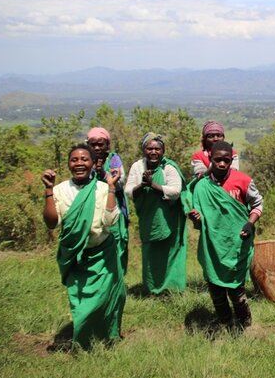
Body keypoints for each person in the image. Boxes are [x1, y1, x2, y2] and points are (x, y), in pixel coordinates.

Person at [41, 144, 126, 349]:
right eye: (74, 160)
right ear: (69, 164)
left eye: (84, 159)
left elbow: (110, 221)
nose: (79, 163)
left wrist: (112, 187)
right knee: (81, 303)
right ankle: (84, 343)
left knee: (111, 297)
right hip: (74, 254)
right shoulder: (60, 190)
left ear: (93, 163)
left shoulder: (103, 188)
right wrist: (48, 190)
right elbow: (52, 223)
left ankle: (105, 337)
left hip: (103, 252)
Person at [187, 141, 263, 329]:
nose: (222, 164)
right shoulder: (201, 187)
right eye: (217, 160)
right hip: (213, 246)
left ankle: (245, 324)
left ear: (231, 160)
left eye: (226, 160)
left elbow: (257, 204)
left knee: (236, 290)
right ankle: (225, 322)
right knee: (216, 290)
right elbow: (200, 222)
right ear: (210, 159)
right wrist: (196, 218)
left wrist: (250, 222)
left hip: (237, 243)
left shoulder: (243, 180)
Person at [125, 133, 188, 294]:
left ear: (163, 151)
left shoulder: (169, 167)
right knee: (151, 253)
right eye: (149, 148)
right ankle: (152, 288)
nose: (153, 152)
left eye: (157, 149)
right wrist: (142, 185)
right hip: (148, 219)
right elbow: (129, 191)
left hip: (169, 219)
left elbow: (175, 191)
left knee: (170, 253)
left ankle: (172, 289)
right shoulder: (137, 167)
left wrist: (153, 185)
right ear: (143, 150)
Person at [87, 127, 130, 274]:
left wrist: (102, 173)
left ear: (107, 145)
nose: (97, 148)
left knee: (117, 240)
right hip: (92, 209)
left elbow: (120, 182)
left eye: (101, 144)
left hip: (114, 206)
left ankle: (117, 278)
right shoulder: (84, 159)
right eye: (93, 145)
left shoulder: (114, 159)